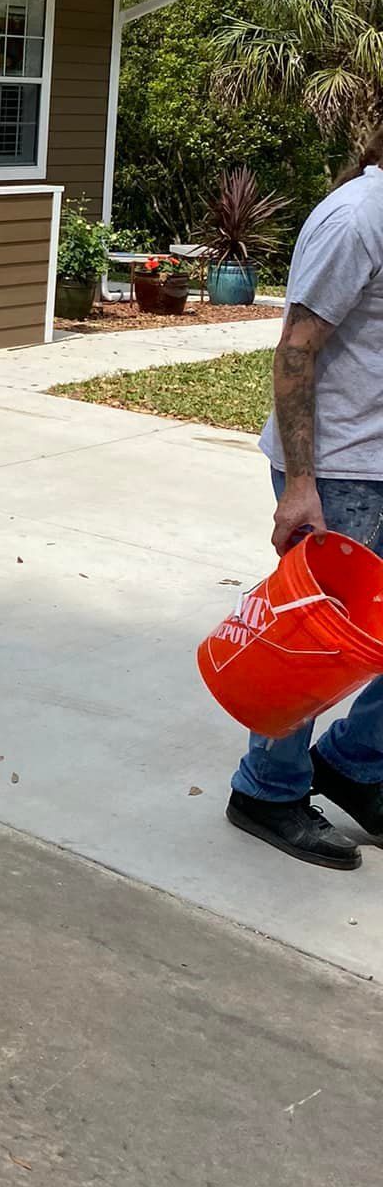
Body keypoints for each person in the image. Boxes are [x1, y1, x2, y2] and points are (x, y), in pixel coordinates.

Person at [228, 132, 383, 869]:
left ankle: (354, 762)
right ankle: (268, 787)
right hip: (340, 471)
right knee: (311, 646)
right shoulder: (358, 217)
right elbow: (296, 349)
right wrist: (299, 483)